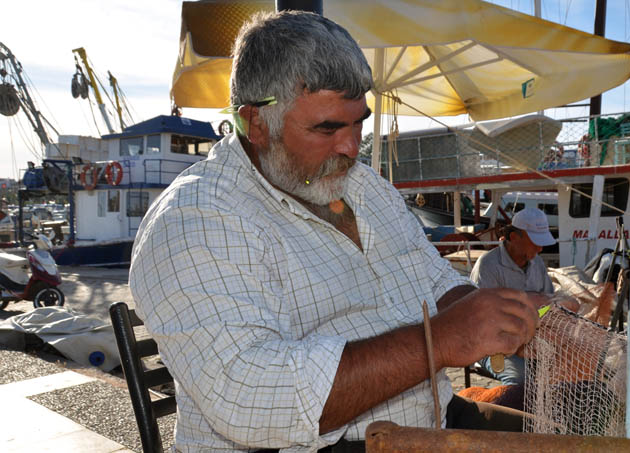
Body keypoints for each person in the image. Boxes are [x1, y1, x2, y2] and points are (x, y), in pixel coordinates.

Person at [129, 11, 548, 453]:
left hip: (428, 422)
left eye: (357, 122)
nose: (350, 148)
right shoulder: (194, 219)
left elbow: (435, 283)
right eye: (327, 128)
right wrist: (438, 342)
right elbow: (251, 399)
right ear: (255, 123)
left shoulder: (366, 188)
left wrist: (515, 317)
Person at [470, 207, 558, 385]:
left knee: (567, 369)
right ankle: (505, 411)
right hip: (491, 346)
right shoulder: (488, 265)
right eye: (535, 242)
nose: (540, 248)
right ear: (513, 237)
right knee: (519, 379)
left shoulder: (537, 262)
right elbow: (481, 318)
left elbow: (550, 302)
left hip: (531, 339)